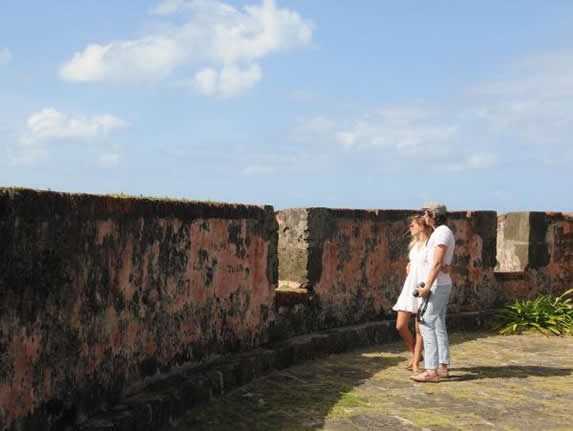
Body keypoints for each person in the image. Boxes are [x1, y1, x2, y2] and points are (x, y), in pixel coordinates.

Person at [411, 202, 455, 383]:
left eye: (426, 213)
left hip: (437, 286)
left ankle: (431, 370)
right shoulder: (440, 233)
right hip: (440, 283)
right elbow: (441, 263)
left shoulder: (442, 232)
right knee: (437, 323)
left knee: (426, 322)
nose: (424, 216)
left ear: (434, 215)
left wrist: (427, 285)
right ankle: (442, 365)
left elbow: (437, 262)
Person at [392, 215, 432, 373]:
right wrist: (409, 266)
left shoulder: (429, 245)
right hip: (409, 286)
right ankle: (415, 352)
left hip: (421, 286)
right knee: (400, 325)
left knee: (419, 328)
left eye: (413, 225)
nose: (410, 228)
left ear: (422, 227)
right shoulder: (414, 245)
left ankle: (415, 361)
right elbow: (414, 262)